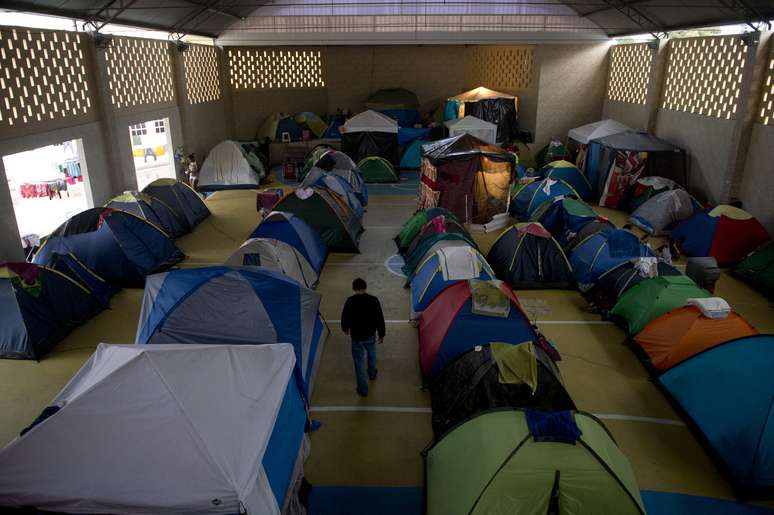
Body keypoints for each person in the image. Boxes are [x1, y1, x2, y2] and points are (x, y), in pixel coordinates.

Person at [340, 278, 386, 397]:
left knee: (359, 363)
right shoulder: (373, 300)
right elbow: (379, 318)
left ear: (353, 288)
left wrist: (345, 328)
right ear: (365, 287)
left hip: (356, 337)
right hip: (370, 335)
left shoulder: (350, 301)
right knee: (372, 354)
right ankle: (372, 373)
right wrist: (381, 334)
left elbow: (344, 317)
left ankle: (363, 389)